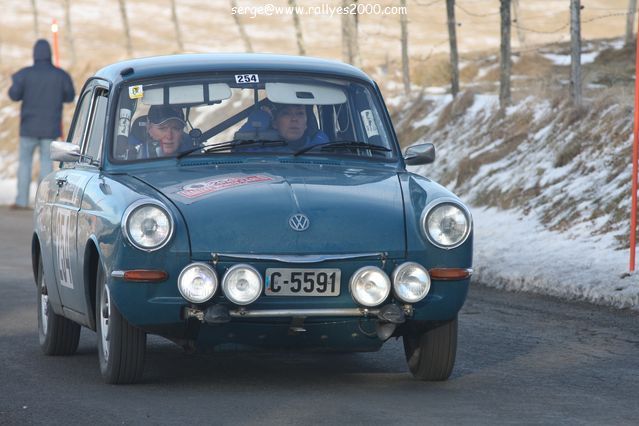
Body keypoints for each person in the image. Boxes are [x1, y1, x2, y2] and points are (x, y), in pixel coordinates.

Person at [8, 39, 75, 210]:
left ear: (35, 54)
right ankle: (42, 202)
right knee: (46, 163)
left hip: (28, 128)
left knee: (25, 164)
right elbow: (69, 97)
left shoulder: (24, 74)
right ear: (50, 54)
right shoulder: (60, 75)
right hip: (50, 128)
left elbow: (13, 95)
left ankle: (21, 201)